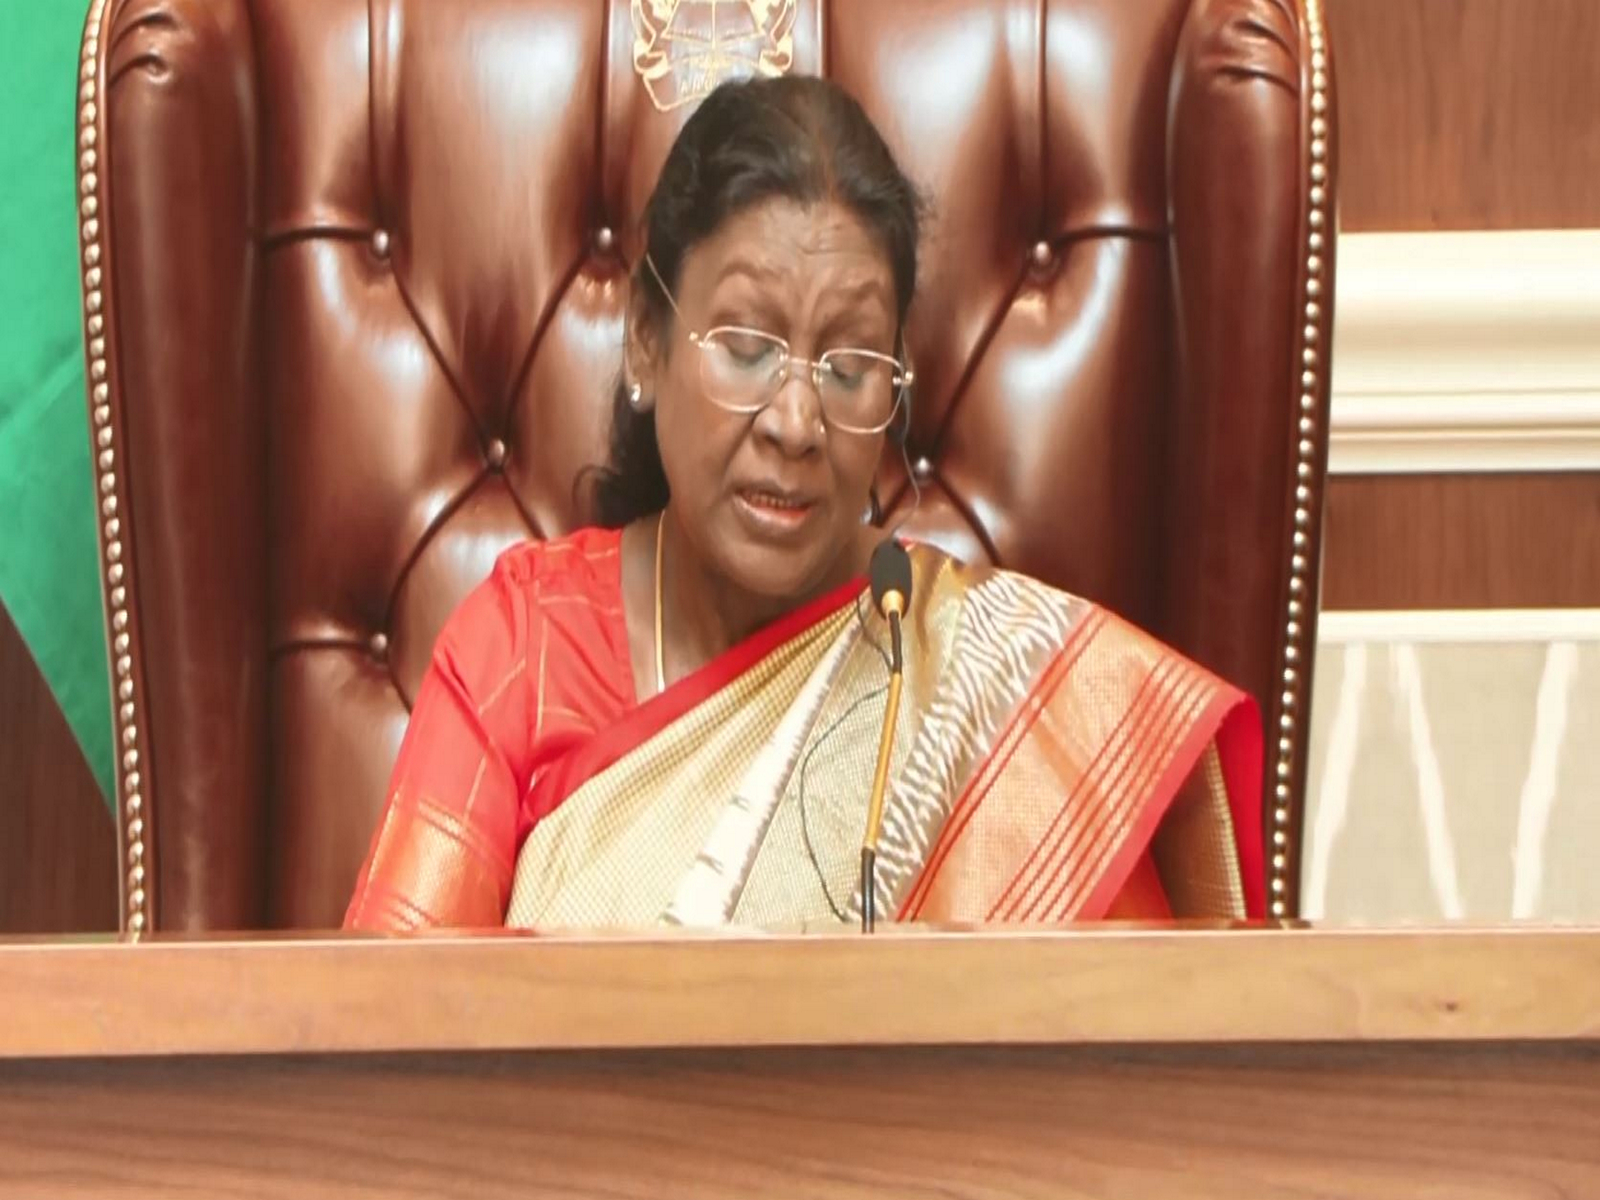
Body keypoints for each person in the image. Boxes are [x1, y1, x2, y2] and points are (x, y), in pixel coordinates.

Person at [345, 75, 1263, 933]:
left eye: (851, 366)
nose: (796, 421)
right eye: (745, 347)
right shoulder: (522, 648)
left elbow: (1118, 1071)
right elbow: (393, 1037)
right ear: (645, 342)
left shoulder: (988, 693)